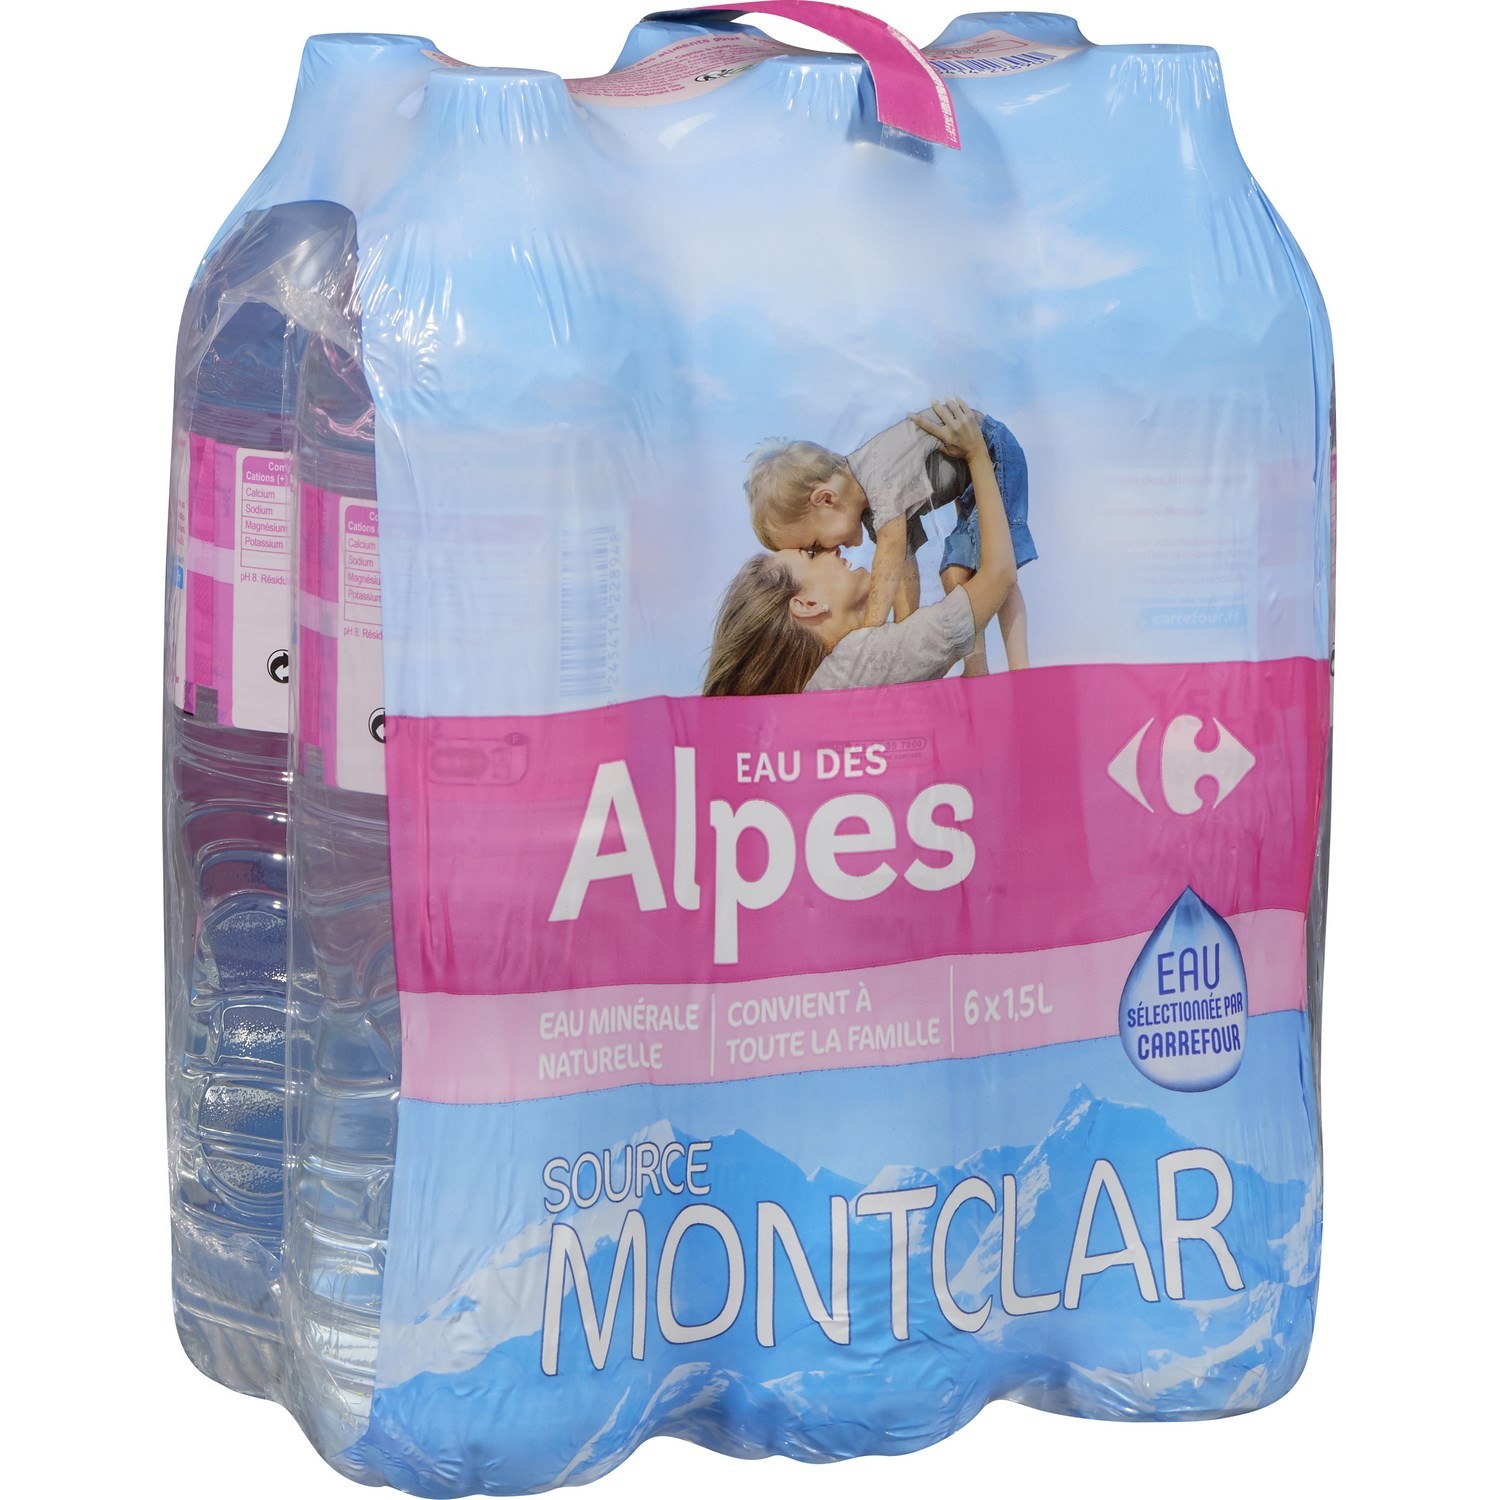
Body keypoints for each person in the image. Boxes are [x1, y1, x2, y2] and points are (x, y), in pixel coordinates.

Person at [706, 398, 1018, 696]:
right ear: (807, 604)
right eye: (812, 552)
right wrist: (977, 455)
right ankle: (1015, 675)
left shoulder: (831, 676)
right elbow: (999, 575)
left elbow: (900, 555)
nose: (833, 550)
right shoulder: (860, 658)